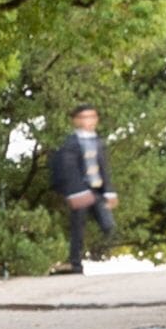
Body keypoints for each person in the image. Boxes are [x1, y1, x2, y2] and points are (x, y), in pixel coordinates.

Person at [47, 106, 117, 273]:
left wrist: (109, 191)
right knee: (78, 227)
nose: (89, 121)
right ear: (76, 121)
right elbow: (68, 168)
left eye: (92, 117)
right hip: (79, 190)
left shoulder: (98, 142)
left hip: (96, 189)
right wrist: (75, 192)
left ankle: (103, 243)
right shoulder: (70, 143)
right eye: (85, 117)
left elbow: (104, 168)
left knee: (107, 222)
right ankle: (75, 263)